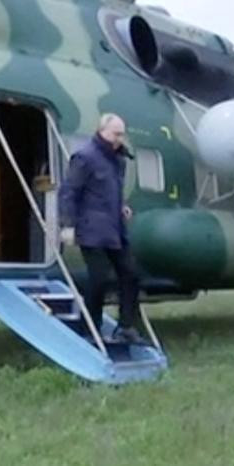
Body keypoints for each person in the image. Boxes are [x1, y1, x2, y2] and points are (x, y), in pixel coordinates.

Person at [59, 114, 145, 345]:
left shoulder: (119, 160)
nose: (120, 138)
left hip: (114, 228)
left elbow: (108, 190)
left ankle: (126, 326)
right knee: (99, 279)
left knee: (131, 274)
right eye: (116, 134)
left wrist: (122, 206)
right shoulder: (85, 157)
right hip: (91, 230)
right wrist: (68, 226)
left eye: (121, 133)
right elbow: (69, 192)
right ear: (102, 131)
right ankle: (90, 328)